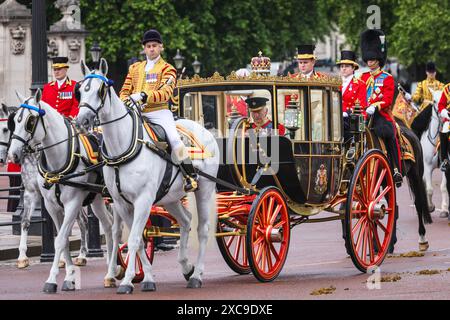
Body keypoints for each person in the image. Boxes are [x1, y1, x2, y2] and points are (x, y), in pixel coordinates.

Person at [119, 29, 198, 193]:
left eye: (155, 45)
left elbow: (165, 93)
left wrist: (144, 96)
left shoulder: (168, 69)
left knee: (175, 140)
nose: (151, 49)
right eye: (148, 46)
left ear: (161, 47)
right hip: (135, 113)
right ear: (144, 48)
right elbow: (124, 91)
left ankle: (190, 175)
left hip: (159, 113)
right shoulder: (134, 68)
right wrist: (126, 101)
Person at [360, 29, 403, 187]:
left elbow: (387, 100)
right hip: (364, 114)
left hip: (381, 115)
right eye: (368, 59)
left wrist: (375, 107)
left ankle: (396, 169)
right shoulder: (363, 77)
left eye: (372, 59)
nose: (369, 62)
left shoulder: (387, 78)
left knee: (389, 133)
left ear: (378, 59)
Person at [337, 50, 367, 143]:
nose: (343, 69)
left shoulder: (360, 84)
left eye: (347, 66)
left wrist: (347, 113)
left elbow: (362, 106)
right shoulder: (335, 83)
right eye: (342, 66)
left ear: (353, 68)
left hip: (351, 119)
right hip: (335, 117)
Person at [438, 83, 450, 172]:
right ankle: (445, 160)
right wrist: (446, 113)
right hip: (449, 118)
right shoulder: (447, 88)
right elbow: (441, 105)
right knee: (445, 129)